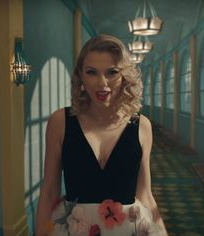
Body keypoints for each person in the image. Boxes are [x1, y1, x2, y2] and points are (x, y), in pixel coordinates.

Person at [35, 34, 168, 236]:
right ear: (81, 76)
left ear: (124, 76)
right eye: (92, 72)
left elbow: (145, 194)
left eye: (112, 72)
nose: (102, 83)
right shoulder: (60, 122)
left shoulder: (142, 126)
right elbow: (50, 192)